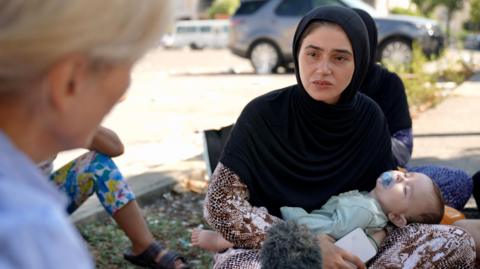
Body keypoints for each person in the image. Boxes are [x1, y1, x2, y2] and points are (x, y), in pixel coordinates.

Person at [203, 6, 475, 269]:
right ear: (297, 53)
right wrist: (306, 244)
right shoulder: (262, 114)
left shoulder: (370, 118)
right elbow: (219, 204)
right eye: (313, 54)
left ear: (359, 62)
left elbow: (382, 210)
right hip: (276, 246)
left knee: (456, 242)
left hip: (353, 246)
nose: (323, 69)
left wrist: (352, 252)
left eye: (340, 57)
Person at [0, 1, 189, 268]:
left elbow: (114, 147)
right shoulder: (36, 236)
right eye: (126, 67)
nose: (123, 90)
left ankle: (144, 246)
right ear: (68, 82)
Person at [38, 126, 189, 268]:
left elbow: (114, 147)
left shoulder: (50, 110)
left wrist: (71, 116)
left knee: (97, 164)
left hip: (43, 195)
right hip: (17, 206)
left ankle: (145, 247)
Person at [194, 170, 444, 253]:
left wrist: (294, 215)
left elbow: (328, 230)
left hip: (306, 234)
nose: (400, 177)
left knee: (259, 231)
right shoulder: (371, 209)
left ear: (398, 218)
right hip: (310, 236)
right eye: (407, 174)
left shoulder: (364, 210)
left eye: (406, 189)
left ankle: (220, 240)